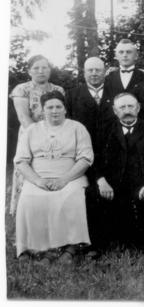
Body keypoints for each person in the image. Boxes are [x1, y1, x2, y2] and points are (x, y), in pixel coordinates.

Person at [85, 93, 144, 254]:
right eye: (122, 107)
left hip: (143, 182)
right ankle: (99, 245)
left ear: (138, 108)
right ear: (114, 110)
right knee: (92, 193)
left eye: (131, 106)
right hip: (113, 184)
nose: (127, 111)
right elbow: (94, 161)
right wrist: (101, 181)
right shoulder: (104, 130)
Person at [14, 91, 93, 264]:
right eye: (49, 107)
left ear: (65, 109)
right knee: (30, 197)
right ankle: (34, 249)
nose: (54, 111)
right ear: (43, 110)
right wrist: (37, 180)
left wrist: (64, 180)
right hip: (38, 177)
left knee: (71, 196)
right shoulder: (31, 130)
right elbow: (20, 161)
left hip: (71, 176)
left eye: (58, 107)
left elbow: (86, 158)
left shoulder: (77, 127)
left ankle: (70, 248)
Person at [9, 55, 65, 215]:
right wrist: (42, 137)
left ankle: (51, 212)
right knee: (30, 170)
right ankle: (25, 213)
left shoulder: (58, 90)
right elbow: (23, 117)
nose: (41, 71)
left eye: (45, 67)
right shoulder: (22, 89)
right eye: (36, 68)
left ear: (50, 70)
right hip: (31, 136)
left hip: (56, 136)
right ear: (29, 71)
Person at [65, 57, 117, 155]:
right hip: (83, 151)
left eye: (98, 70)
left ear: (105, 72)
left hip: (112, 151)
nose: (94, 73)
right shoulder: (71, 95)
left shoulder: (117, 93)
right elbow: (67, 124)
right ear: (84, 73)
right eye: (90, 70)